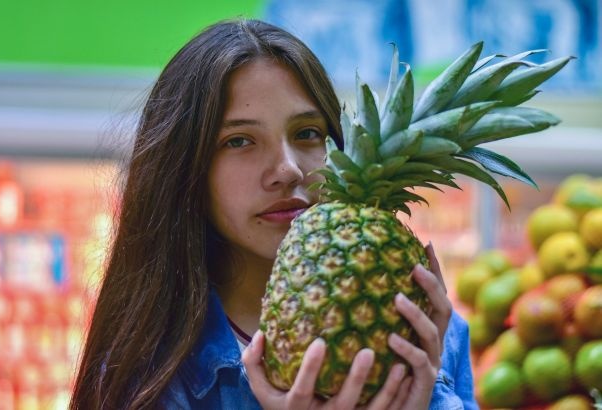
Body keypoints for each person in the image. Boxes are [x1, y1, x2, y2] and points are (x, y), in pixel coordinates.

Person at [70, 18, 477, 409]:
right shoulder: (152, 373)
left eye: (307, 133)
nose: (288, 169)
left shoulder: (437, 334)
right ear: (186, 167)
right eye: (239, 140)